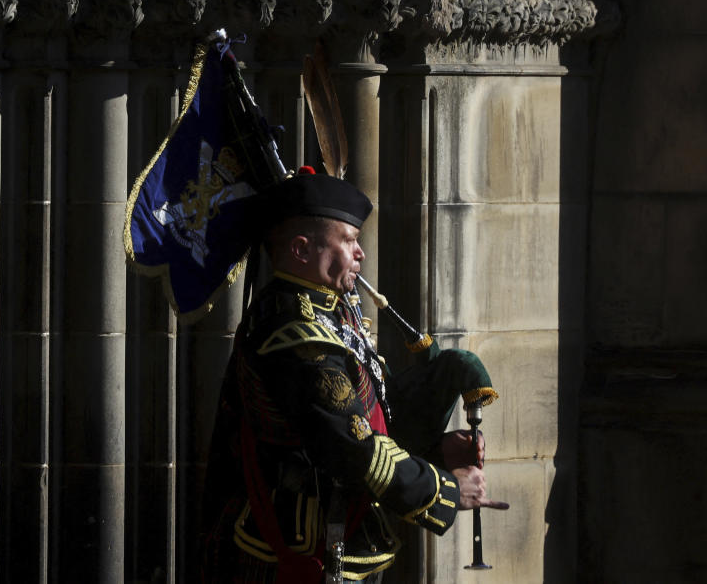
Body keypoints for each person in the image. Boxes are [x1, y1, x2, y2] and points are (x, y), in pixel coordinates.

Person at [200, 171, 508, 583]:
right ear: (301, 249)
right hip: (303, 551)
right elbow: (355, 449)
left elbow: (370, 414)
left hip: (344, 536)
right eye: (348, 240)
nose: (360, 252)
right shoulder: (298, 336)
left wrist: (437, 450)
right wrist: (445, 490)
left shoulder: (331, 312)